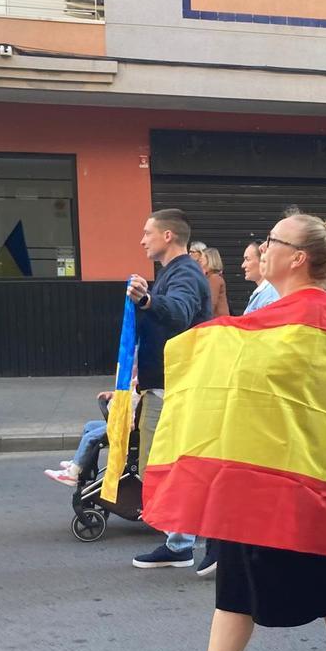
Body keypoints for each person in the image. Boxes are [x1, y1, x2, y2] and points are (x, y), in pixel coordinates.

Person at [141, 212, 326, 651]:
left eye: (272, 240)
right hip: (256, 474)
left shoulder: (319, 316)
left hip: (298, 479)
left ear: (297, 257)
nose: (262, 246)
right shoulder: (275, 310)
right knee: (236, 584)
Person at [128, 210, 212, 573]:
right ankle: (182, 542)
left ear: (167, 236)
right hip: (165, 383)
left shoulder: (185, 273)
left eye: (147, 233)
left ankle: (205, 541)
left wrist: (147, 300)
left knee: (167, 466)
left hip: (174, 385)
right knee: (169, 466)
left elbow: (178, 313)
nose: (142, 240)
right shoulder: (173, 273)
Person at [43, 392, 114, 486]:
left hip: (127, 426)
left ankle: (73, 474)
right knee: (90, 426)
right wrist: (113, 394)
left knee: (90, 437)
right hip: (122, 421)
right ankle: (82, 464)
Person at [241, 240, 280, 313]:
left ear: (263, 260)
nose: (243, 265)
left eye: (247, 259)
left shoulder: (270, 296)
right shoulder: (266, 293)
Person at [201, 247, 230, 317]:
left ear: (209, 259)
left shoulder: (214, 278)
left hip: (218, 321)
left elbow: (210, 303)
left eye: (202, 258)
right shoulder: (211, 277)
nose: (200, 260)